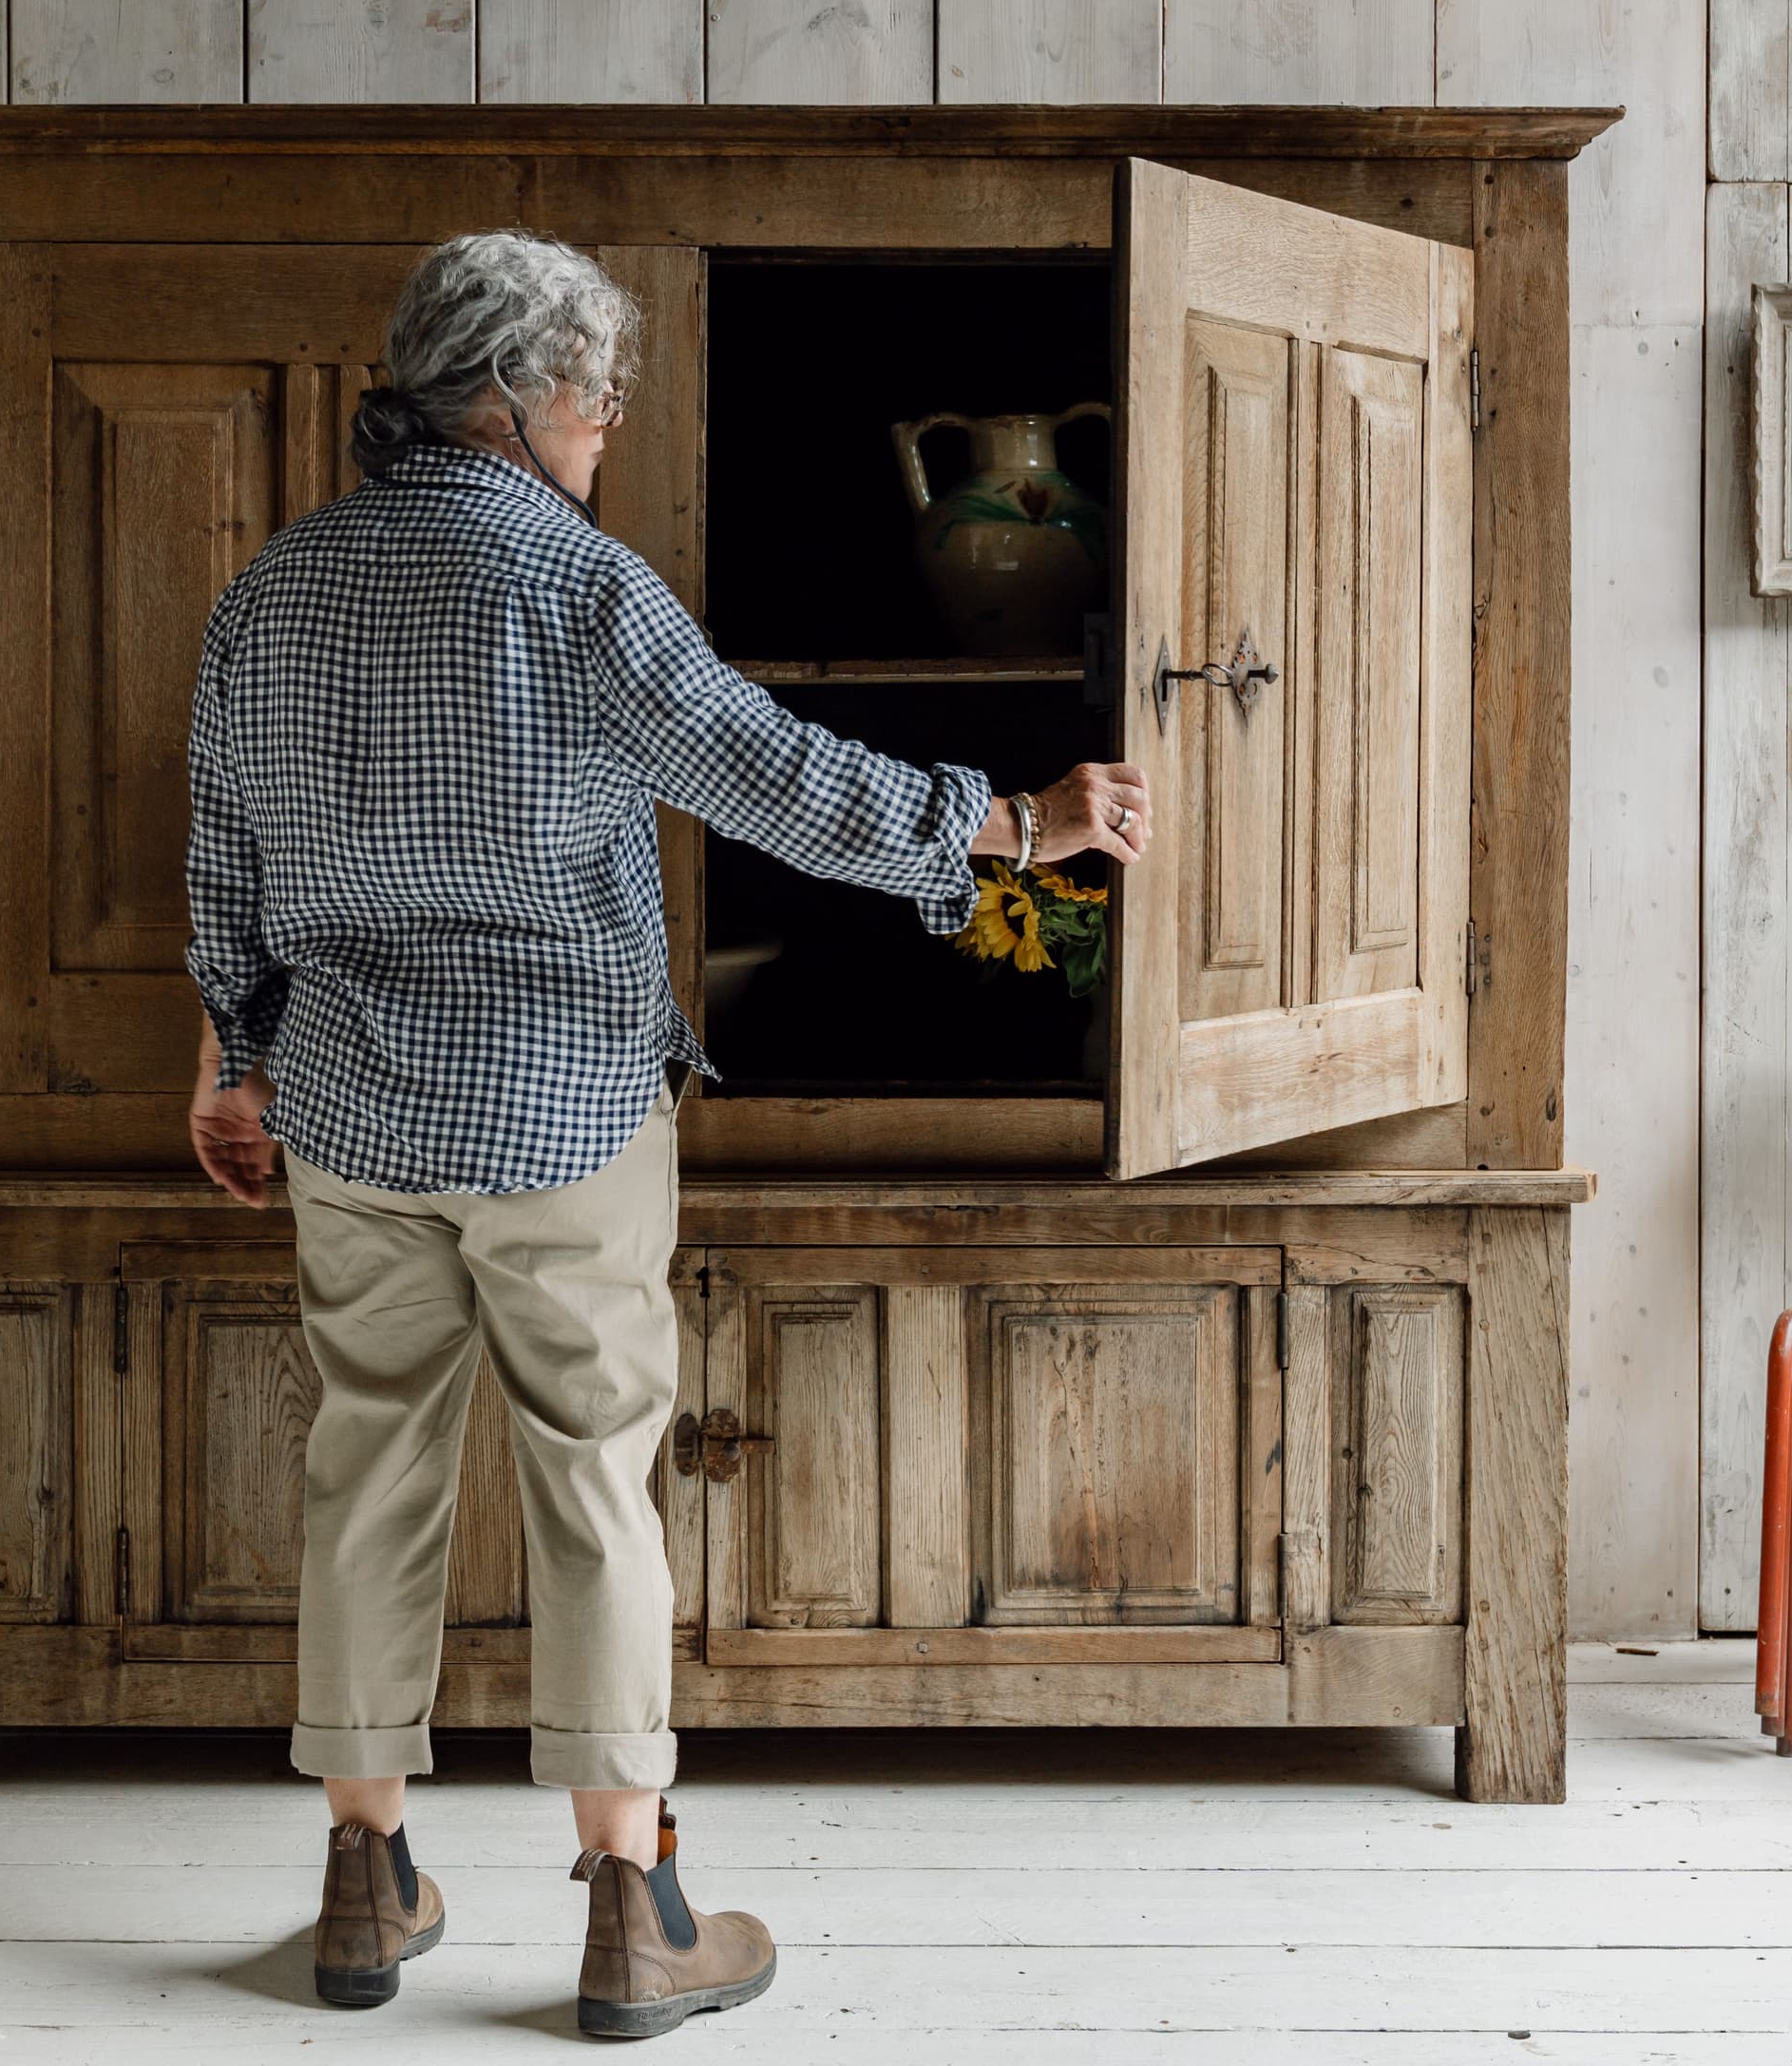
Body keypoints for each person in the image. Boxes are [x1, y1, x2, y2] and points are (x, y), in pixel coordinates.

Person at [181, 230, 1147, 2038]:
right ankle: (634, 1902)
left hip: (351, 1111)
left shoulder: (274, 593)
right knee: (593, 1475)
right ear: (519, 396)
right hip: (558, 1107)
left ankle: (362, 1883)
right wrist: (1011, 821)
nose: (609, 429)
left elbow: (224, 860)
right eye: (600, 396)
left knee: (368, 1462)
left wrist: (234, 1062)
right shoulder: (578, 590)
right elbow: (773, 774)